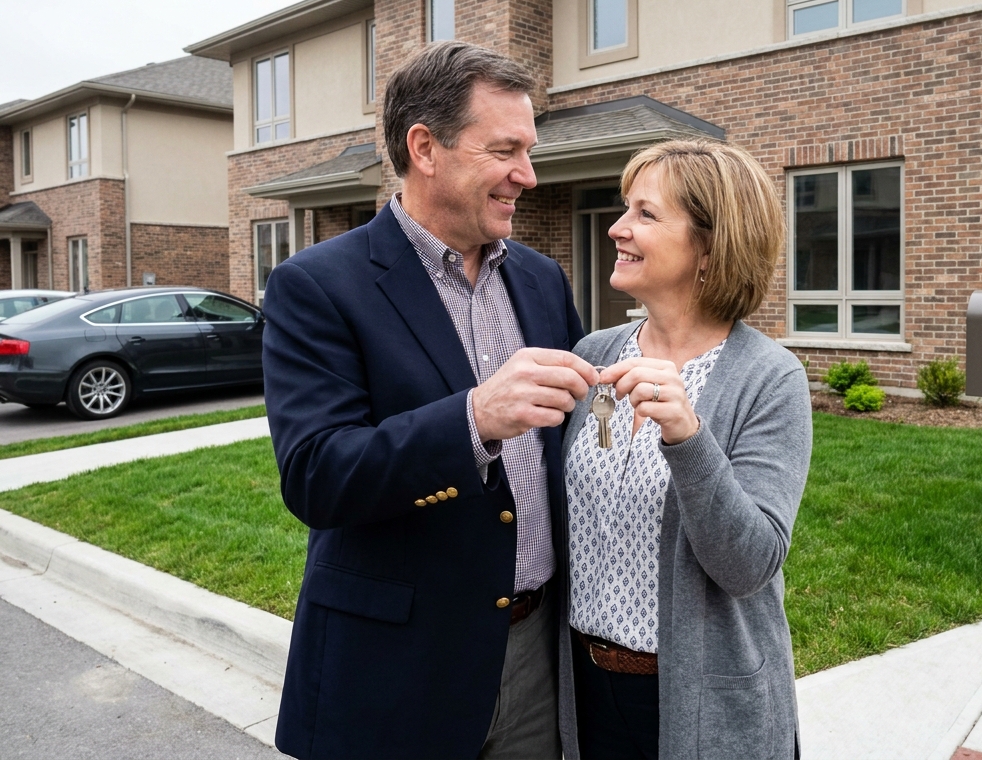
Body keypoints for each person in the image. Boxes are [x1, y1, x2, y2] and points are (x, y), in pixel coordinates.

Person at [263, 41, 598, 760]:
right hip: (398, 668)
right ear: (425, 148)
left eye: (528, 151)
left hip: (536, 653)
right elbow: (317, 476)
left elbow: (571, 448)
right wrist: (474, 420)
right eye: (504, 150)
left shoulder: (541, 279)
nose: (527, 175)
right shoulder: (317, 285)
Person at [559, 138, 812, 760]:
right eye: (625, 208)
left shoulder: (769, 378)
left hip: (703, 703)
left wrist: (689, 438)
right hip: (584, 691)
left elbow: (750, 565)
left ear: (709, 246)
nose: (617, 228)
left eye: (645, 214)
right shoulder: (595, 355)